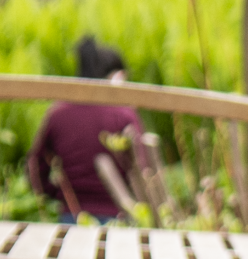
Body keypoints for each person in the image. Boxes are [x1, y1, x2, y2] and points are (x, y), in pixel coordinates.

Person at [27, 38, 157, 221]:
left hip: (71, 215)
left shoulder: (58, 114)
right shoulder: (124, 114)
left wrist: (54, 193)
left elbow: (35, 166)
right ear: (114, 75)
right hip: (118, 216)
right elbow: (144, 167)